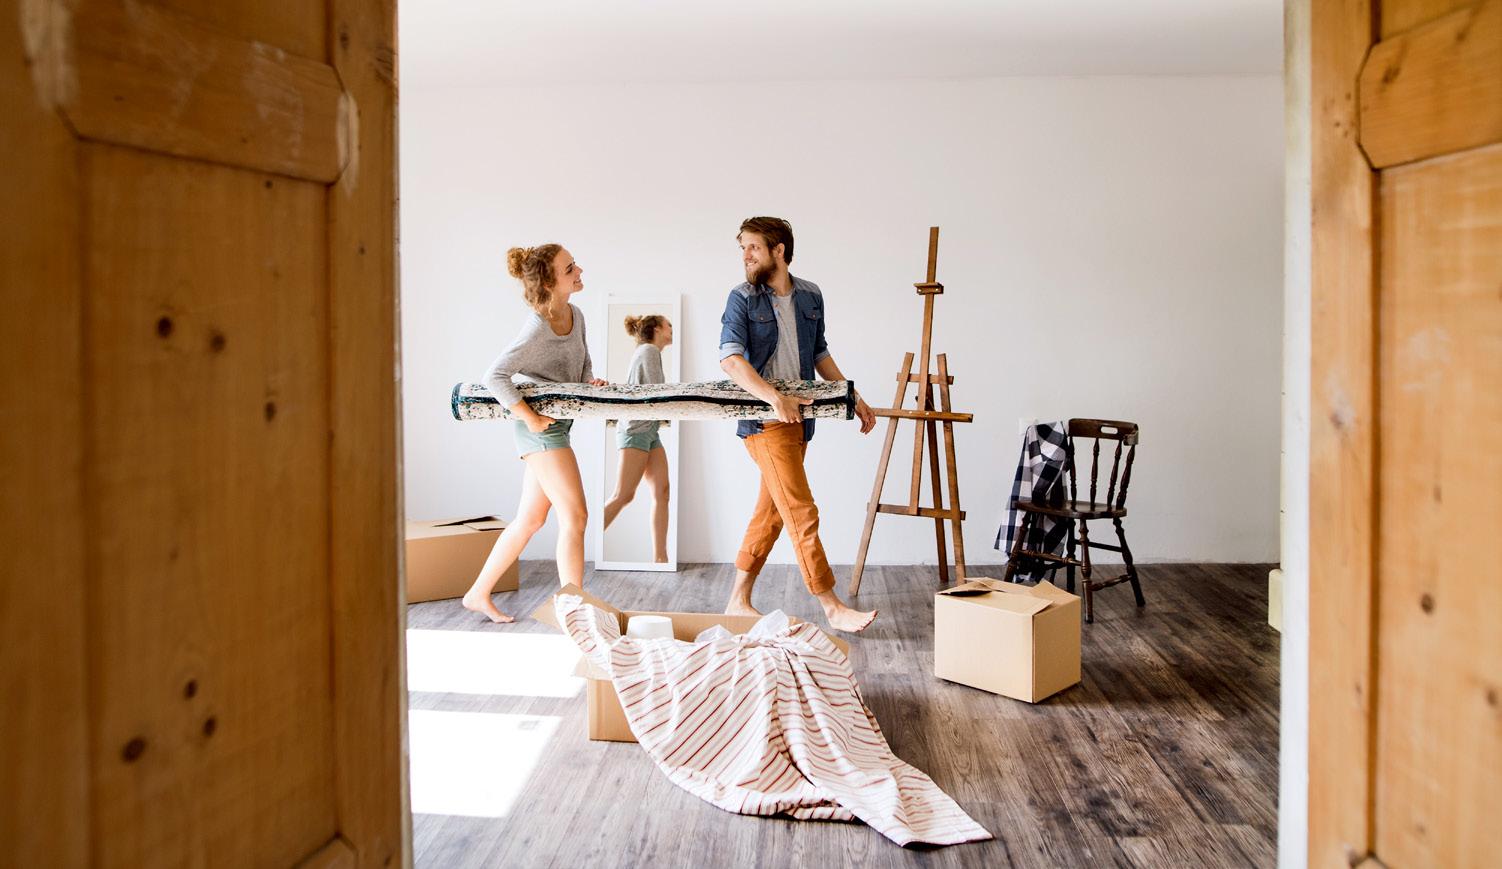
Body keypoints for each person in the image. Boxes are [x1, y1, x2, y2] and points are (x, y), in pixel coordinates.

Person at [718, 216, 879, 633]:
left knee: (771, 513)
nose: (745, 255)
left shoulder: (810, 295)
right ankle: (831, 605)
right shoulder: (741, 298)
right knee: (800, 511)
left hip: (800, 422)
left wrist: (853, 396)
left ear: (779, 251)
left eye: (753, 247)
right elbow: (731, 359)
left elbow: (820, 353)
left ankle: (737, 601)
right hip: (765, 423)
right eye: (742, 248)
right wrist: (774, 398)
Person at [462, 243, 605, 623]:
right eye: (569, 268)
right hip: (543, 433)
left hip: (557, 428)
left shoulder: (576, 314)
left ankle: (477, 594)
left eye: (575, 264)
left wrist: (590, 381)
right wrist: (528, 417)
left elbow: (582, 363)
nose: (579, 271)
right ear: (548, 282)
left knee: (530, 521)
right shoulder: (537, 326)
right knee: (575, 516)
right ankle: (573, 609)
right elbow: (494, 376)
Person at [602, 315, 674, 562]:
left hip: (649, 430)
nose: (672, 329)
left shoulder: (649, 352)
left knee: (662, 492)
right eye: (669, 325)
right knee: (623, 495)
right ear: (657, 329)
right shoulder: (649, 351)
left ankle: (661, 559)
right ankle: (582, 541)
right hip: (636, 430)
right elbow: (655, 393)